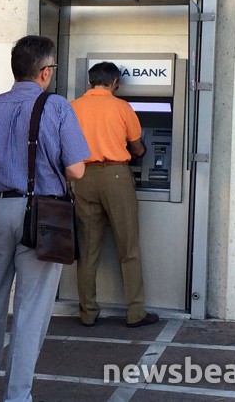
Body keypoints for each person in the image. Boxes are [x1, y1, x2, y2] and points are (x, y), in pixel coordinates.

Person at [0, 35, 90, 402]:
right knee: (31, 309)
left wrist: (5, 169)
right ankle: (17, 396)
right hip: (43, 216)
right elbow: (77, 170)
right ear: (46, 71)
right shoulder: (58, 106)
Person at [70, 61, 159, 328]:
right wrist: (139, 151)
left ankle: (87, 312)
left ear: (90, 82)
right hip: (116, 176)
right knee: (128, 246)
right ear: (114, 83)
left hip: (83, 177)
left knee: (87, 249)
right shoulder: (122, 107)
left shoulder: (73, 107)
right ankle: (135, 312)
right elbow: (138, 147)